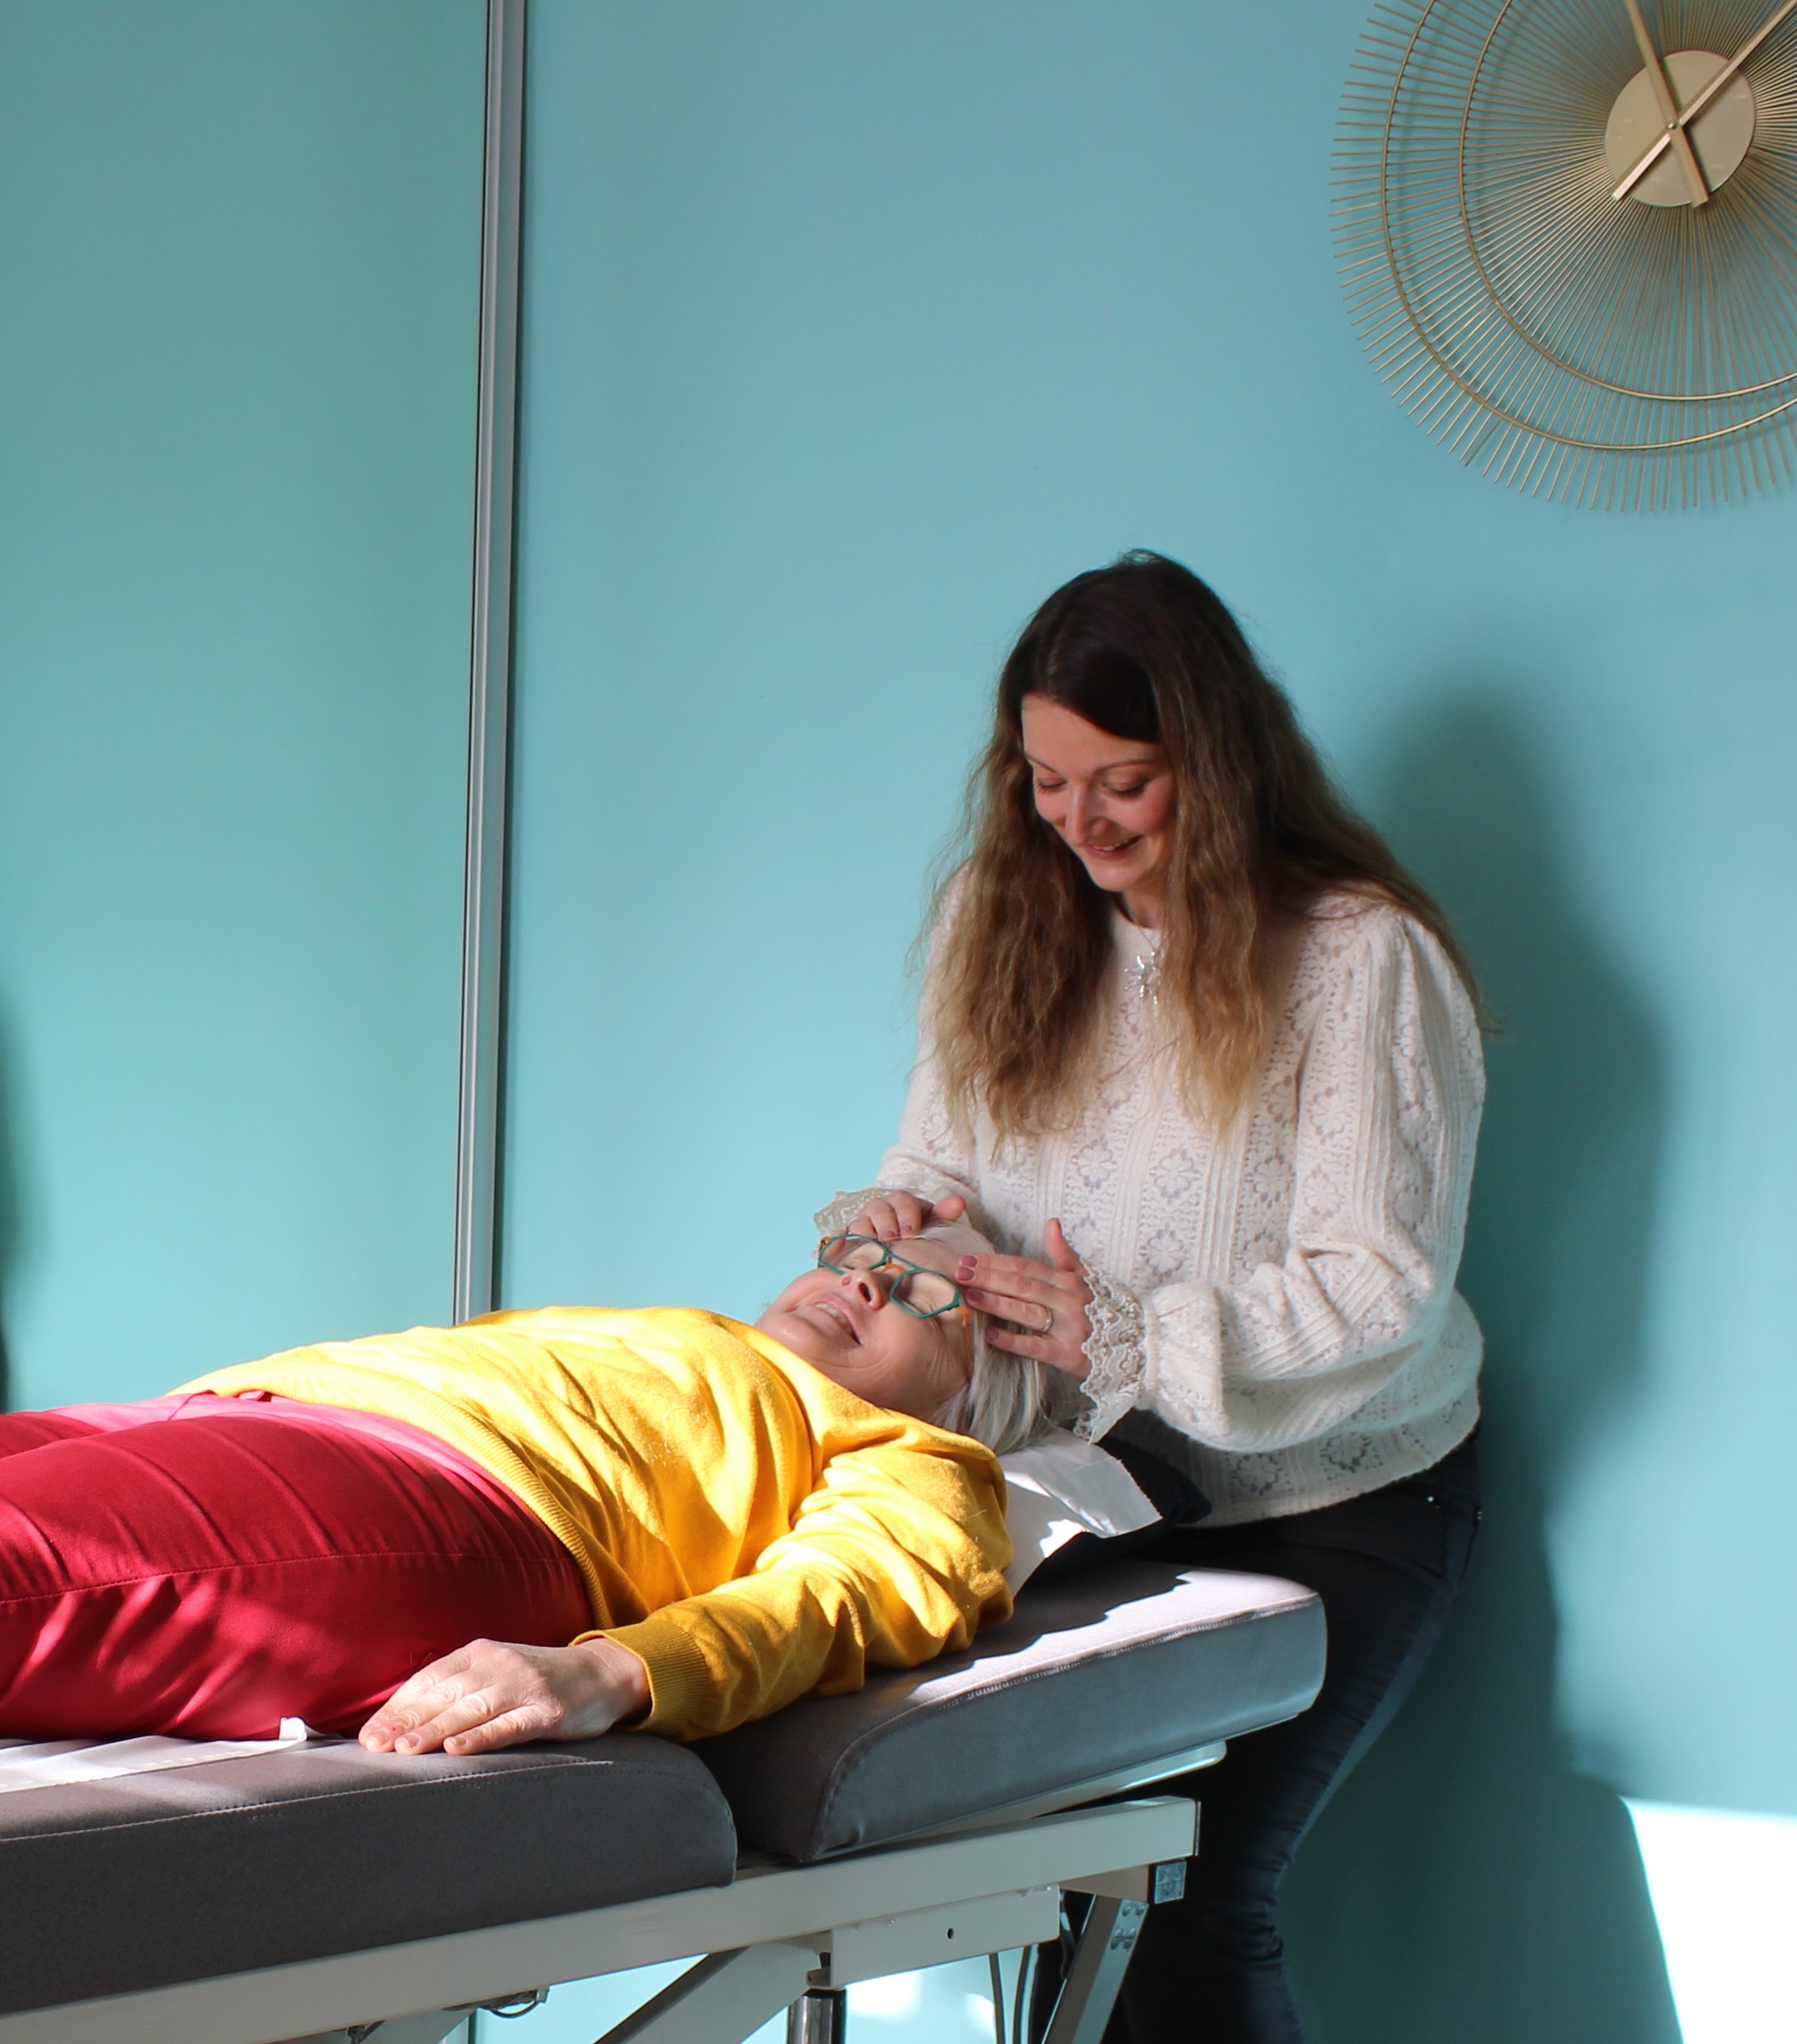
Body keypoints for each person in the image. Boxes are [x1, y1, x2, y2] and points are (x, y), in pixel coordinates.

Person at [819, 552, 1484, 2043]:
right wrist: (902, 1216)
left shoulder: (1357, 957)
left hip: (1336, 1495)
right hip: (1105, 1482)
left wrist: (1120, 1333)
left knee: (1182, 1897)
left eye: (1123, 781)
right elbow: (936, 1161)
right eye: (1046, 781)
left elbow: (1378, 1283)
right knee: (1066, 1894)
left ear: (1219, 759)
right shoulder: (1000, 919)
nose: (1079, 821)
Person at [0, 1219, 1048, 1757]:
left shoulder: (920, 1455)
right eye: (861, 1253)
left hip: (431, 1490)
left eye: (923, 1291)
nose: (863, 1277)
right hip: (237, 1409)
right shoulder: (699, 1338)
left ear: (974, 1393)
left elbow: (838, 1597)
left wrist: (617, 1671)